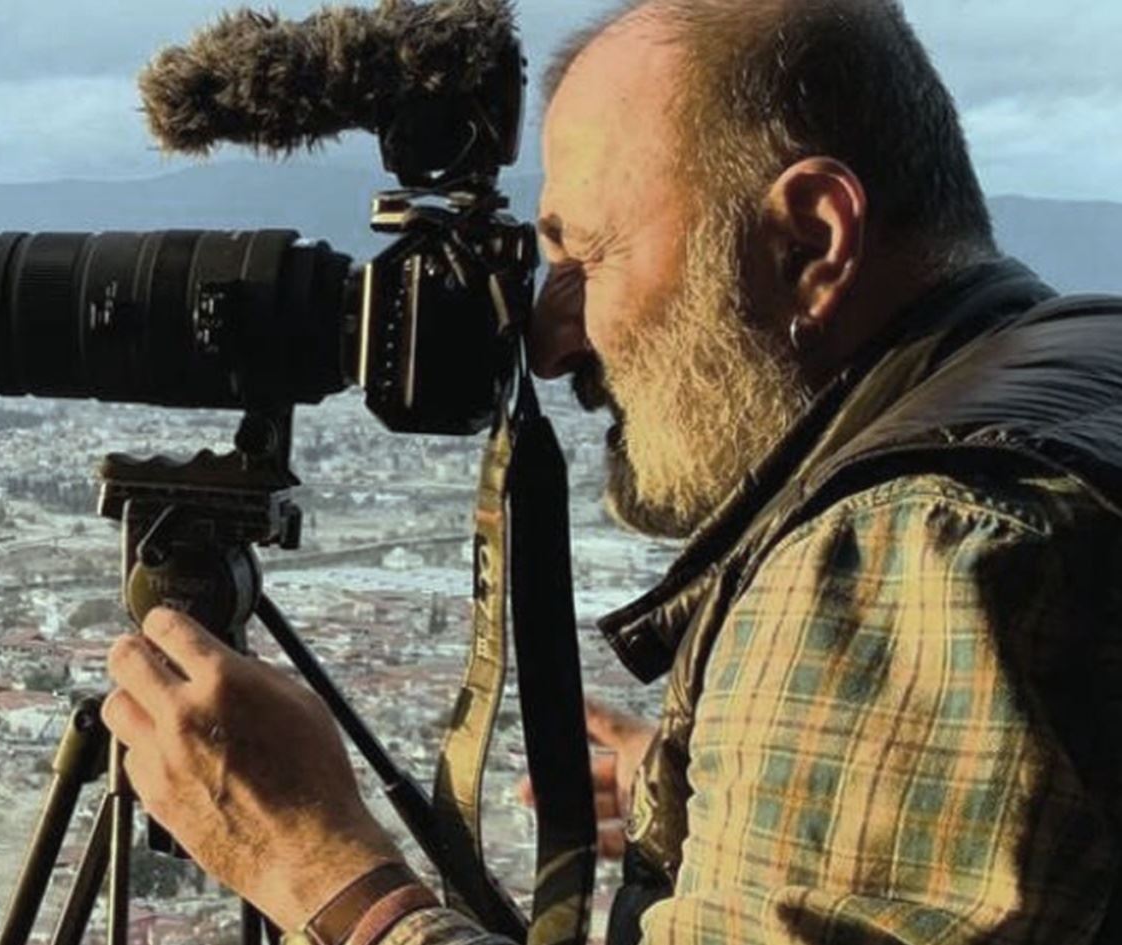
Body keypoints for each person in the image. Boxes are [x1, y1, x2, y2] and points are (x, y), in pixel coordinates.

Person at [101, 1, 1122, 943]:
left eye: (585, 258)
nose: (551, 342)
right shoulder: (1074, 374)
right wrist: (747, 813)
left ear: (809, 241)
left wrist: (324, 874)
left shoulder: (911, 551)